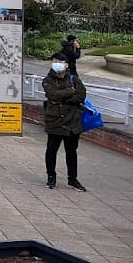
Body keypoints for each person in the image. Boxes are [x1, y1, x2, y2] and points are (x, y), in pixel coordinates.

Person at [43, 52, 87, 191]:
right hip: (54, 121)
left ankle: (72, 179)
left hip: (72, 122)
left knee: (71, 152)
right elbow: (52, 95)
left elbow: (80, 96)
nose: (57, 64)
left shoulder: (74, 79)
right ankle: (51, 177)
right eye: (55, 61)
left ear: (66, 65)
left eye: (60, 61)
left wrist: (62, 99)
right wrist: (70, 92)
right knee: (51, 150)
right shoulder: (47, 80)